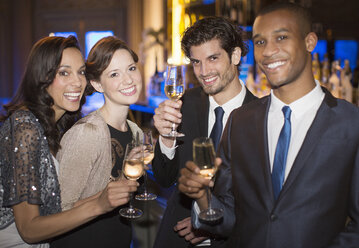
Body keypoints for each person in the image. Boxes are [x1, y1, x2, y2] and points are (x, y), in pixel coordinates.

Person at [178, 2, 359, 248]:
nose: (269, 51)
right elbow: (232, 218)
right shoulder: (239, 122)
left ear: (309, 42)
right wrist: (203, 198)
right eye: (260, 42)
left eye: (281, 37)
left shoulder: (350, 124)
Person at [0, 36, 138, 248]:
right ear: (42, 77)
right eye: (64, 72)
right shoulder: (24, 127)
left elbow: (55, 207)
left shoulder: (59, 125)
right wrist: (98, 206)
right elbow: (28, 229)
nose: (77, 82)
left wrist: (106, 195)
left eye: (81, 72)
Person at [152, 17, 257, 247]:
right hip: (176, 237)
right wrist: (166, 138)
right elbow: (164, 178)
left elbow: (261, 204)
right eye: (196, 62)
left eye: (213, 58)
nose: (203, 71)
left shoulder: (262, 117)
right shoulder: (184, 103)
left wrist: (206, 223)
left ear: (236, 56)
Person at [50, 36, 143, 248]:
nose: (128, 80)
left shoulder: (135, 131)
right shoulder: (87, 133)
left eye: (131, 68)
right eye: (114, 74)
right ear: (97, 84)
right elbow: (56, 209)